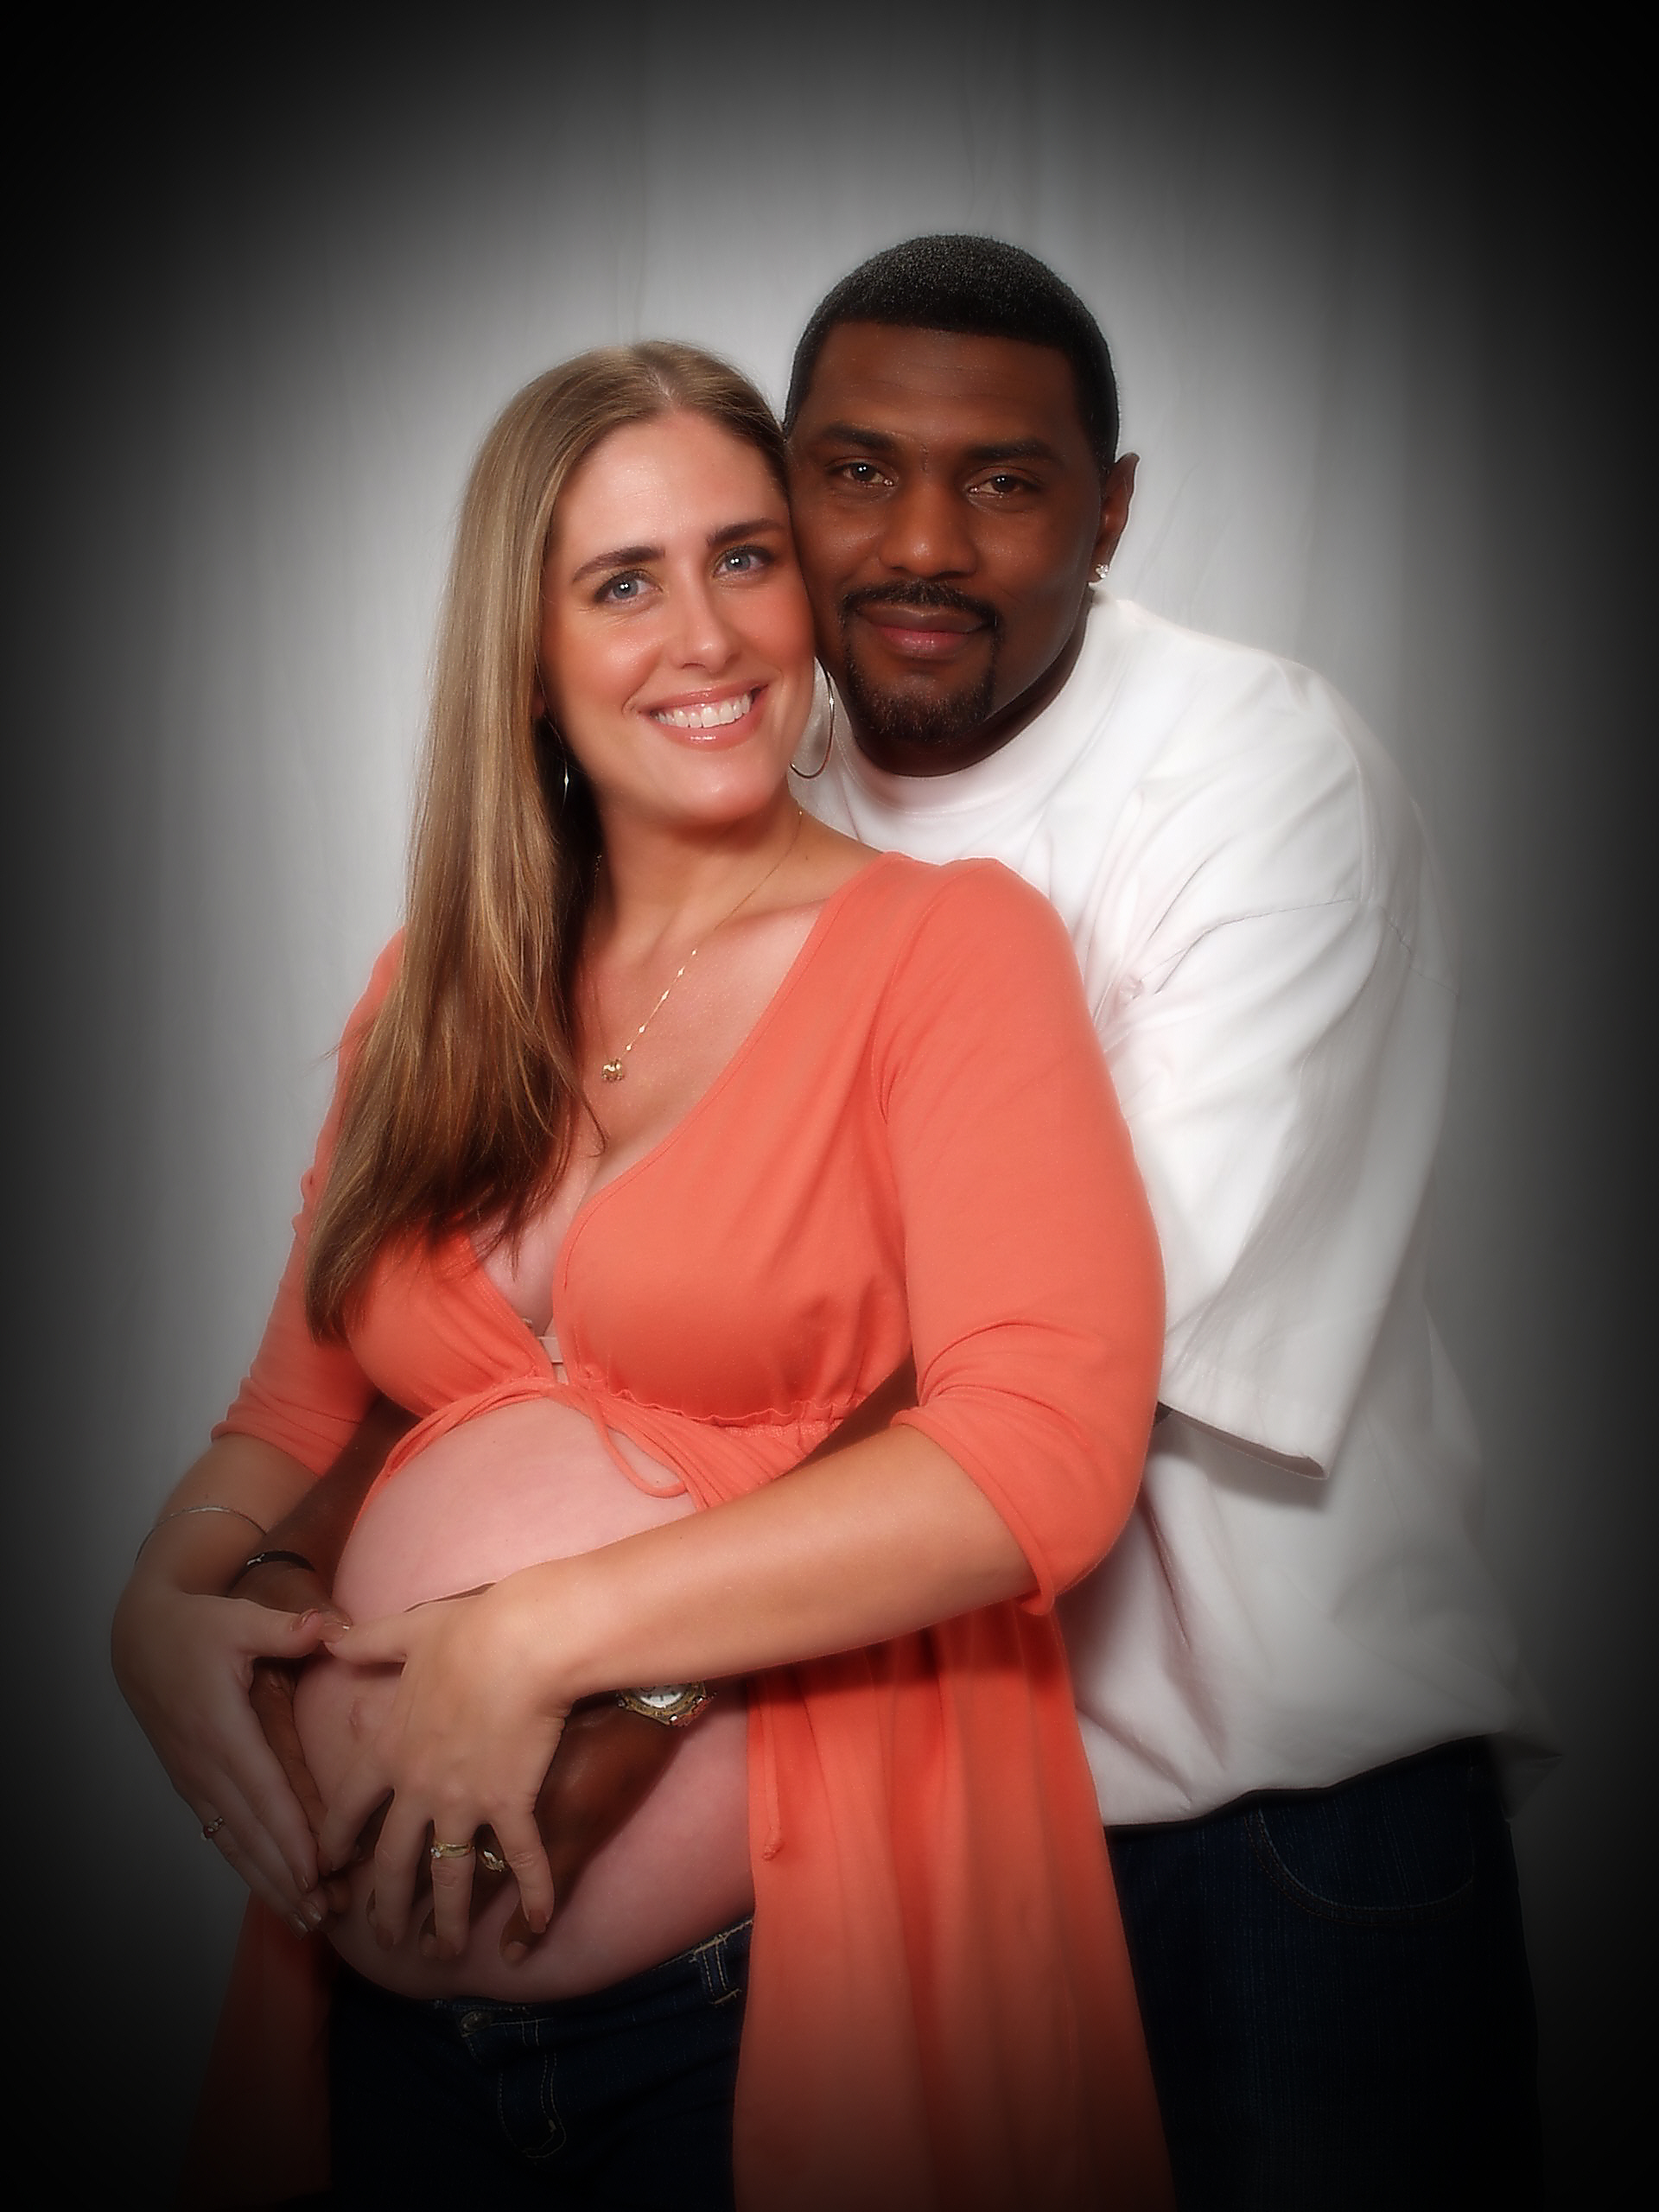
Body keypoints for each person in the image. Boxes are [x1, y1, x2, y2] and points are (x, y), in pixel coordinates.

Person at [112, 340, 1173, 2210]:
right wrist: (159, 1609)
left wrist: (537, 1634)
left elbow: (1043, 1452)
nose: (709, 634)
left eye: (745, 557)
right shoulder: (430, 987)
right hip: (380, 2030)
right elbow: (295, 1408)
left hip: (766, 2000)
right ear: (526, 659)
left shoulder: (949, 950)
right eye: (624, 582)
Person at [780, 234, 1547, 2209]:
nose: (920, 541)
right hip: (889, 1815)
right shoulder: (754, 784)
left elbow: (1061, 1355)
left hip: (1263, 1829)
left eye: (1004, 479)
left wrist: (624, 1663)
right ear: (783, 484)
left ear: (1110, 509)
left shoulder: (1257, 767)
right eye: (857, 470)